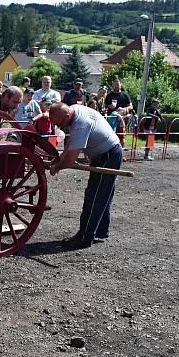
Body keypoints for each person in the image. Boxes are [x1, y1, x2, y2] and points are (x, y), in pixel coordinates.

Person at [48, 102, 123, 249]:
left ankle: (84, 238)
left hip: (108, 155)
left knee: (94, 197)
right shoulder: (73, 109)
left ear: (67, 116)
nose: (62, 128)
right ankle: (101, 231)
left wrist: (57, 167)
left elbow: (71, 159)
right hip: (105, 153)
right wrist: (59, 158)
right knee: (103, 194)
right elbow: (70, 146)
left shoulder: (81, 123)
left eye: (61, 124)